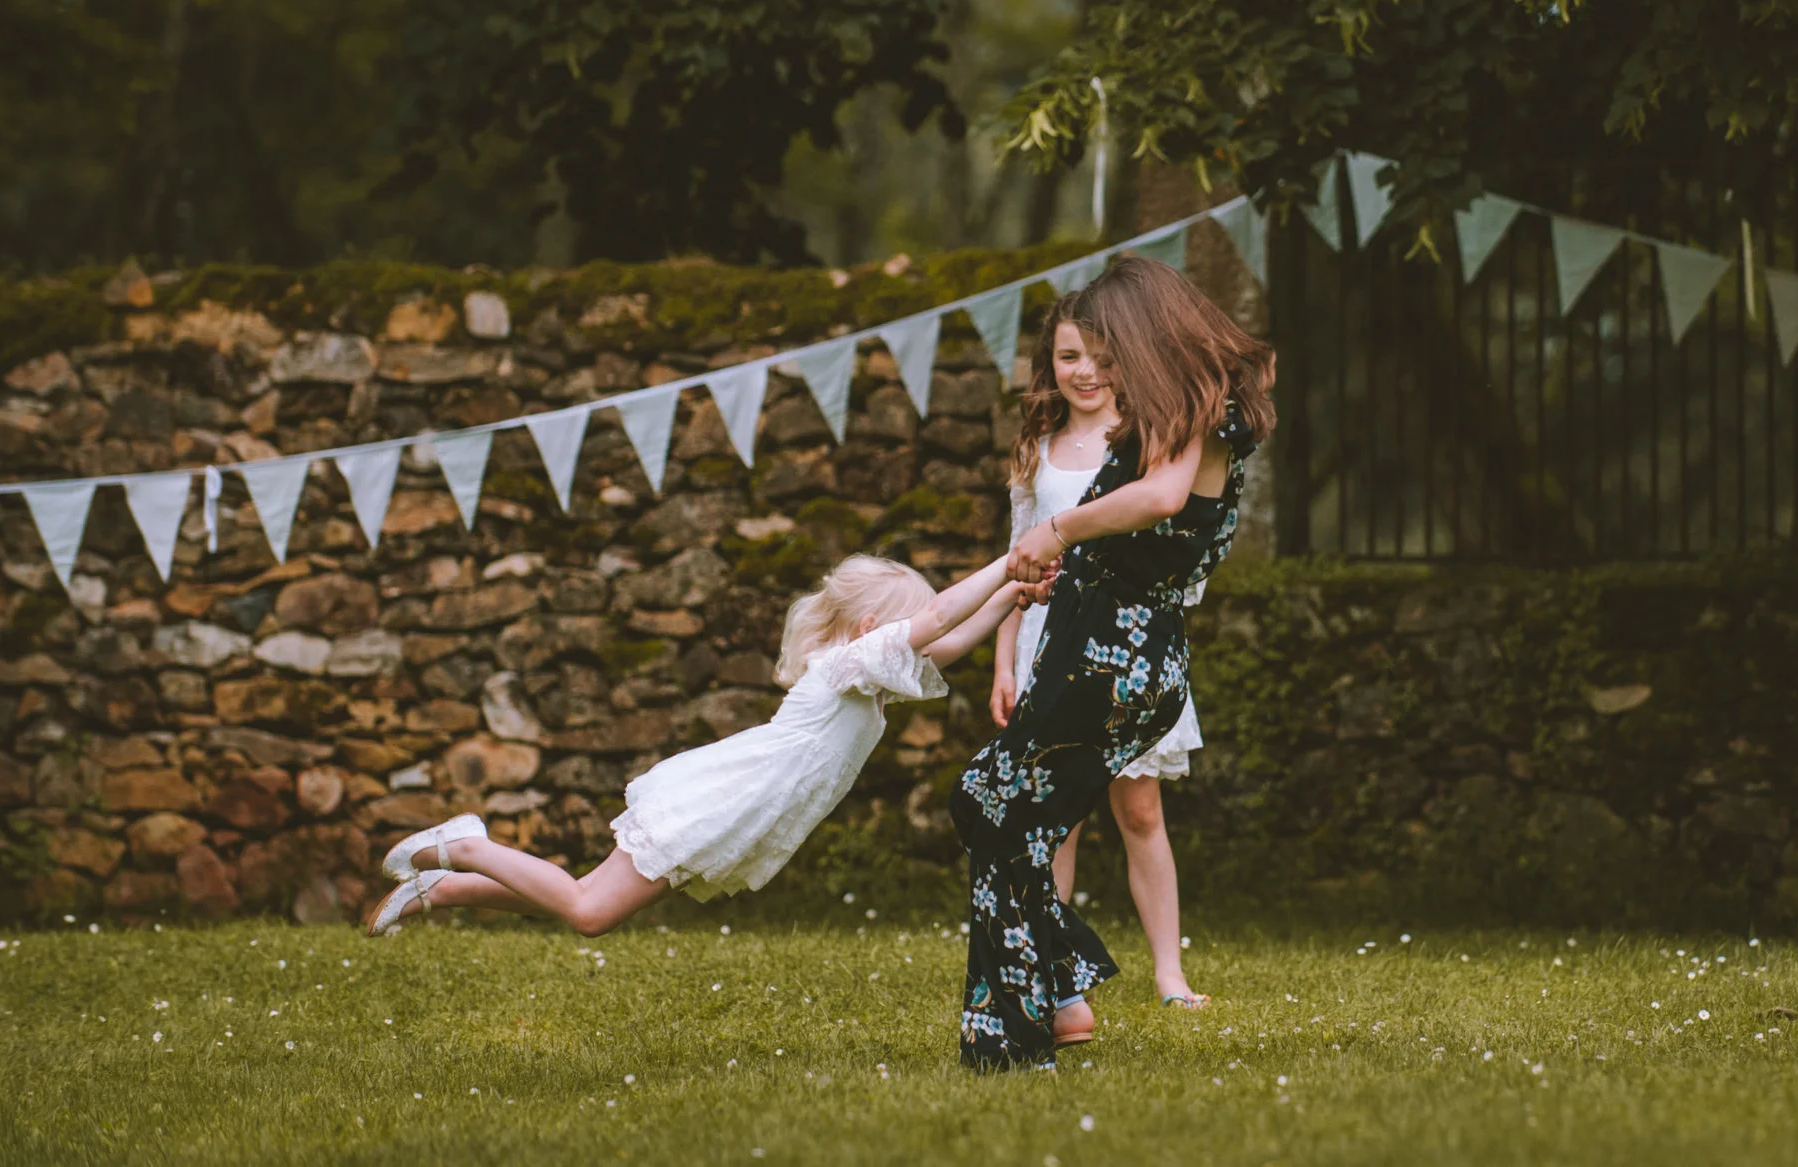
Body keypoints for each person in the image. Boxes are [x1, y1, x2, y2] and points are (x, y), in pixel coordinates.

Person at [950, 253, 1274, 1070]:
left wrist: (1058, 531)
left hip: (1117, 650)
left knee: (994, 802)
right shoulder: (1165, 414)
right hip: (1089, 641)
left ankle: (1035, 1007)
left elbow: (1163, 501)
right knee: (1005, 809)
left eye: (1114, 345)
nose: (1101, 366)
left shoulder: (1203, 410)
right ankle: (1046, 1012)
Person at [363, 552, 1027, 937]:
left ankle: (443, 888)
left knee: (593, 899)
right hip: (716, 803)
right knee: (589, 909)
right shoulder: (848, 663)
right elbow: (940, 619)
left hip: (730, 813)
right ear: (873, 626)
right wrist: (1011, 557)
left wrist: (1013, 595)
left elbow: (949, 637)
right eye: (908, 627)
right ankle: (465, 842)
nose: (921, 638)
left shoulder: (872, 677)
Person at [992, 291, 1210, 1011]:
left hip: (1122, 646)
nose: (1086, 371)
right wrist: (1003, 659)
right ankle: (1055, 976)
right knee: (1055, 818)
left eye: (1102, 357)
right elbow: (1014, 561)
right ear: (1048, 364)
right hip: (1046, 647)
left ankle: (1169, 972)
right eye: (1069, 356)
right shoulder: (1037, 447)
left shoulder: (1147, 437)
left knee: (1141, 811)